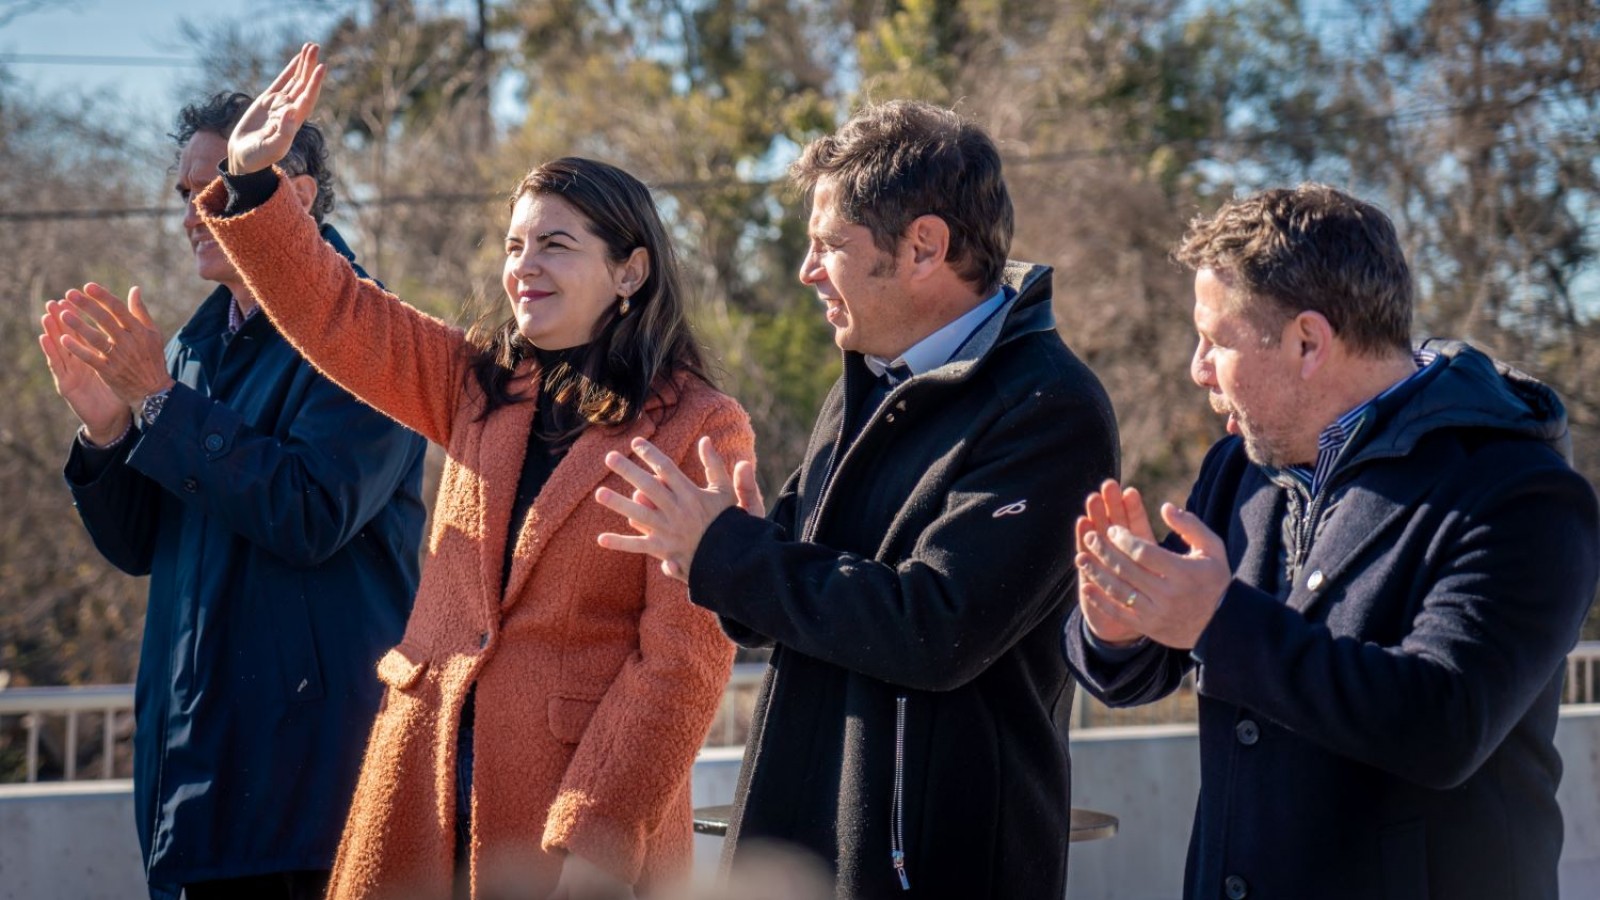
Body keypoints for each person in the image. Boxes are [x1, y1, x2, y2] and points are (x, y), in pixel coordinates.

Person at [195, 45, 756, 900]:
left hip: (570, 823)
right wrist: (250, 178)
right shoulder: (476, 384)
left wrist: (596, 846)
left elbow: (681, 663)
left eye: (556, 245)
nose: (524, 265)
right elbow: (337, 310)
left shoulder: (697, 426)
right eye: (515, 244)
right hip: (420, 793)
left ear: (630, 270)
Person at [594, 100, 1119, 898]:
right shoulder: (868, 379)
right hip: (809, 846)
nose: (806, 271)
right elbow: (807, 591)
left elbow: (935, 629)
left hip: (933, 867)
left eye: (828, 245)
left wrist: (733, 555)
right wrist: (727, 547)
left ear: (924, 247)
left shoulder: (1051, 408)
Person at [1063, 184, 1600, 900]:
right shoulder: (1241, 468)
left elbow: (1445, 722)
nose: (1197, 369)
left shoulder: (1518, 494)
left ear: (1308, 342)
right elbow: (1155, 665)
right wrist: (1119, 624)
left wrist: (1217, 622)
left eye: (1216, 340)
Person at [36, 91, 427, 900]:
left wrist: (162, 406)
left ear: (297, 197)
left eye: (215, 188)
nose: (191, 215)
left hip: (313, 800)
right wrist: (110, 431)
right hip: (191, 794)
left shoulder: (370, 331)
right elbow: (142, 548)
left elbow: (312, 513)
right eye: (184, 194)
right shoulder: (187, 346)